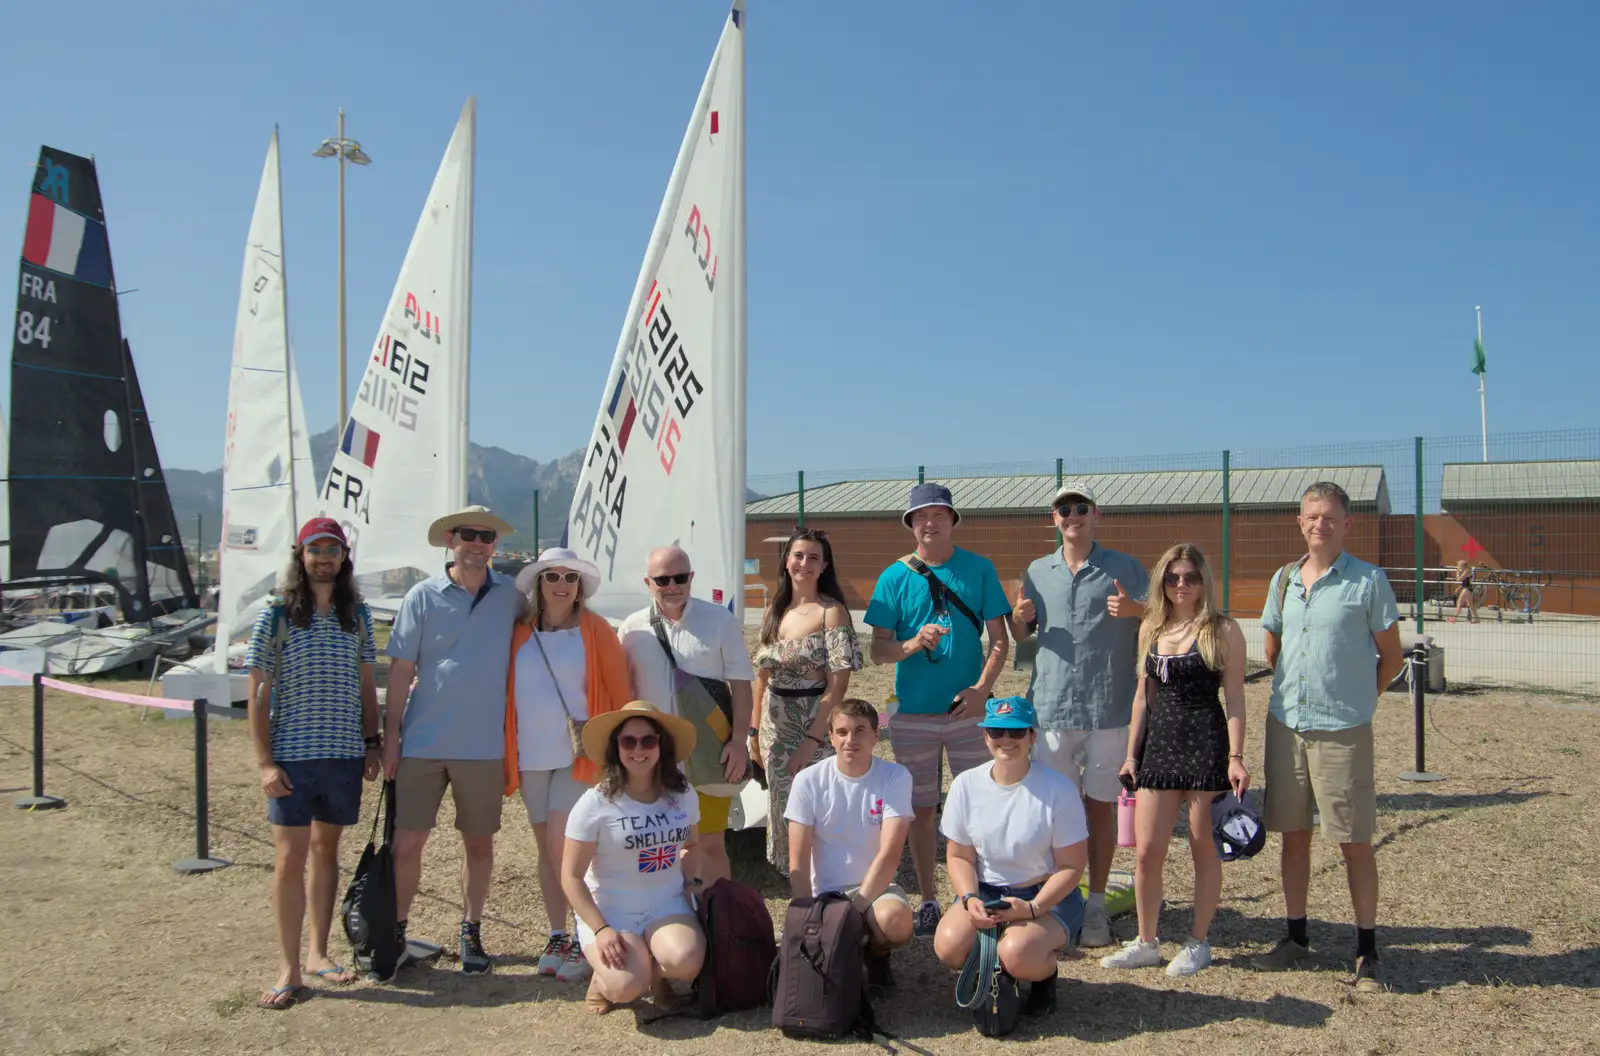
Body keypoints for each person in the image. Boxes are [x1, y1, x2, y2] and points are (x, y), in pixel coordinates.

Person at [1252, 482, 1404, 993]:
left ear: (1347, 524)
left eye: (1330, 517)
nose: (1320, 524)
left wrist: (1358, 701)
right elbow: (1273, 647)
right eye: (1312, 516)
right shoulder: (1283, 580)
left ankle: (1367, 950)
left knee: (1354, 841)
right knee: (1293, 836)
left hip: (1343, 731)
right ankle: (1296, 937)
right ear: (1300, 523)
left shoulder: (1368, 582)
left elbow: (1393, 658)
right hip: (1287, 724)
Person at [381, 505, 523, 976]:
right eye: (469, 535)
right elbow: (401, 671)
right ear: (450, 540)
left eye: (487, 536)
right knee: (408, 844)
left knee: (479, 845)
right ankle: (396, 935)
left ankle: (471, 930)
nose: (478, 543)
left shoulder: (511, 596)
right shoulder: (421, 596)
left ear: (494, 545)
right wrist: (391, 738)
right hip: (422, 742)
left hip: (483, 747)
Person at [865, 482, 1011, 938]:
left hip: (969, 714)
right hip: (912, 715)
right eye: (921, 517)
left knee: (979, 808)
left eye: (939, 515)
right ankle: (929, 899)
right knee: (922, 809)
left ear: (952, 521)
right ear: (911, 525)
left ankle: (981, 896)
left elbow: (1001, 640)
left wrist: (981, 690)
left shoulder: (979, 569)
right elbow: (877, 650)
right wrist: (911, 644)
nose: (930, 523)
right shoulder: (893, 577)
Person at [247, 518, 380, 1010]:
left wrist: (372, 742)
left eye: (333, 549)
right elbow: (258, 693)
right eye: (315, 549)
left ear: (345, 557)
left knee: (327, 855)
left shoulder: (357, 614)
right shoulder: (277, 615)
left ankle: (318, 953)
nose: (324, 557)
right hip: (292, 758)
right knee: (289, 860)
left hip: (344, 755)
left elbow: (368, 685)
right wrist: (264, 761)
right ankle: (288, 967)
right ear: (300, 555)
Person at [1010, 481, 1148, 948]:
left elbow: (1164, 618)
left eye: (1080, 507)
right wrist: (1019, 620)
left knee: (1101, 807)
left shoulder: (1124, 568)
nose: (1072, 515)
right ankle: (1060, 903)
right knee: (1057, 813)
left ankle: (1096, 905)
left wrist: (1137, 609)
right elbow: (1025, 643)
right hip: (1051, 708)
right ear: (1054, 519)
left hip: (1108, 706)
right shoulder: (1037, 570)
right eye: (1063, 508)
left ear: (1096, 515)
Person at [1099, 544, 1248, 977]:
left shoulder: (1223, 630)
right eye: (1173, 577)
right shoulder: (1151, 627)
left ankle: (1198, 942)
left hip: (1205, 744)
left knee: (1204, 850)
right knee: (1147, 853)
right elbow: (1143, 699)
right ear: (1162, 582)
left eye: (1191, 577)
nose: (1182, 584)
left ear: (1204, 582)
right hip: (1159, 748)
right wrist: (1132, 755)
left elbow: (1235, 698)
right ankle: (1147, 941)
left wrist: (1235, 757)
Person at [502, 547, 633, 984]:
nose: (561, 585)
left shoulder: (596, 630)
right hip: (530, 756)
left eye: (570, 578)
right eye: (552, 577)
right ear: (539, 584)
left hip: (579, 758)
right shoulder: (520, 632)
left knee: (564, 848)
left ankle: (583, 937)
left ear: (580, 587)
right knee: (546, 851)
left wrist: (618, 750)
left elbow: (619, 693)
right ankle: (558, 934)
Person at [933, 696, 1087, 1017]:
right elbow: (959, 856)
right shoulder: (966, 785)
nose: (1006, 740)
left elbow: (1072, 866)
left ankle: (1043, 976)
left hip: (1044, 894)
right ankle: (996, 969)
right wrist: (968, 898)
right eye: (996, 731)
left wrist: (1032, 909)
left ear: (1033, 736)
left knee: (1017, 953)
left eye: (1017, 732)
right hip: (987, 891)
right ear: (985, 735)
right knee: (948, 947)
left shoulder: (1059, 789)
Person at [617, 546, 753, 885]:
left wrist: (739, 742)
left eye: (680, 577)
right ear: (649, 582)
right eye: (663, 580)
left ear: (691, 578)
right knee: (659, 843)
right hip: (652, 755)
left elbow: (742, 686)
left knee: (709, 844)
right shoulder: (631, 629)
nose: (673, 585)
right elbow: (624, 695)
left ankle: (718, 922)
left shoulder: (720, 620)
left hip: (707, 751)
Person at [563, 702, 706, 1015]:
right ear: (616, 748)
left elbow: (692, 846)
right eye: (628, 741)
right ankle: (604, 983)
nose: (638, 750)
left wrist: (693, 884)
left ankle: (656, 974)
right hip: (613, 909)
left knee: (687, 961)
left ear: (661, 745)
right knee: (626, 987)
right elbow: (570, 877)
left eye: (648, 740)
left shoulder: (682, 794)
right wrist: (601, 929)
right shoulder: (595, 803)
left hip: (666, 902)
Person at [753, 528, 863, 873]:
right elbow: (761, 675)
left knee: (816, 805)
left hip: (813, 725)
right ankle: (794, 877)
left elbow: (838, 685)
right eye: (798, 555)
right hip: (774, 728)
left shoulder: (832, 613)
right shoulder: (774, 610)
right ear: (786, 561)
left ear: (825, 565)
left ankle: (824, 877)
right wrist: (753, 732)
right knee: (782, 802)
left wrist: (812, 740)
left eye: (814, 557)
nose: (804, 563)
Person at [784, 698, 914, 987]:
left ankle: (877, 954)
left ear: (876, 735)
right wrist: (807, 913)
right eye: (842, 732)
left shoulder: (895, 777)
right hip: (826, 893)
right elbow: (799, 858)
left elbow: (890, 854)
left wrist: (854, 910)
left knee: (897, 923)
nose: (850, 739)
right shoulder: (808, 780)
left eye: (860, 731)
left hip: (875, 890)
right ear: (830, 737)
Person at [1449, 559, 1480, 623]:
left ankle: (1455, 618)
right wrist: (1459, 588)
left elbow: (1459, 579)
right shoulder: (1466, 570)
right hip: (1466, 589)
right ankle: (1476, 618)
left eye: (1459, 566)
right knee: (1470, 604)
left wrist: (1457, 573)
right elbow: (1464, 582)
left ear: (1463, 566)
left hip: (1466, 589)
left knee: (1460, 603)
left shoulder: (1466, 570)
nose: (1458, 567)